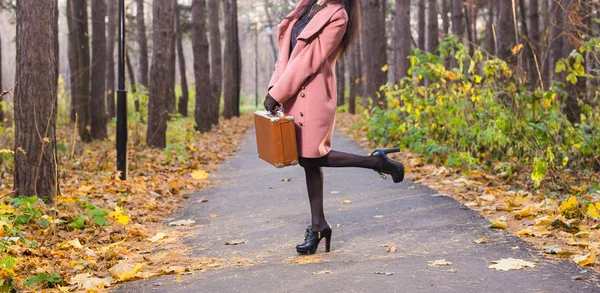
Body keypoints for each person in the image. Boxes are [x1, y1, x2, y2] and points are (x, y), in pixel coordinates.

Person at [263, 0, 405, 255]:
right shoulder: (305, 7)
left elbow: (308, 60)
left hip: (314, 96)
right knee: (308, 162)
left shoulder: (338, 16)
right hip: (293, 93)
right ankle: (319, 226)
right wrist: (274, 89)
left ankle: (376, 163)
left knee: (313, 155)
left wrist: (279, 92)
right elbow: (284, 56)